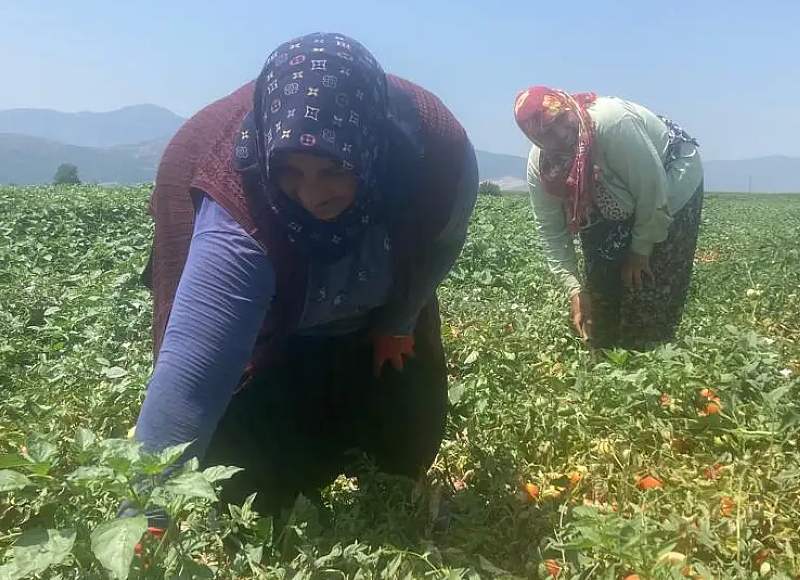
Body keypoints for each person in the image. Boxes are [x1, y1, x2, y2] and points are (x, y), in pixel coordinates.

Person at [132, 32, 478, 538]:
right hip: (233, 221)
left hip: (381, 270)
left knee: (404, 448)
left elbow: (440, 243)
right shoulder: (240, 203)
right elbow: (195, 365)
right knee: (249, 489)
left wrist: (399, 320)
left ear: (369, 151)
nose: (311, 196)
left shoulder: (434, 159)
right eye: (291, 172)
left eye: (334, 169)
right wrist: (145, 512)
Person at [513, 86, 704, 352]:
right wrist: (574, 290)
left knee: (649, 279)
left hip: (669, 175)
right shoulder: (541, 165)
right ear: (534, 139)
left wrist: (639, 251)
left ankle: (650, 354)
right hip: (610, 197)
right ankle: (605, 355)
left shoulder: (612, 124)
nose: (560, 134)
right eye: (545, 132)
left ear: (568, 106)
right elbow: (550, 230)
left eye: (559, 120)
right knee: (600, 284)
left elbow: (652, 191)